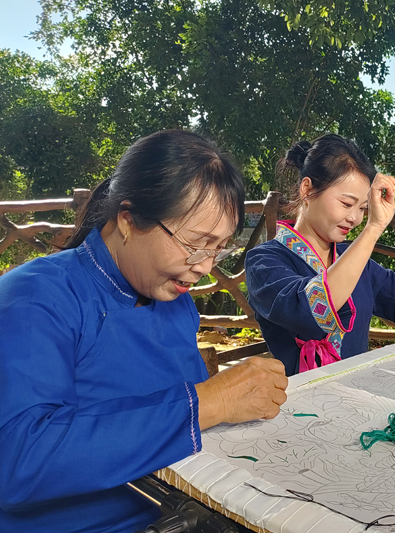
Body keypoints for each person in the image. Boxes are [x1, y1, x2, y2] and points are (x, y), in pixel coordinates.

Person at [0, 130, 289, 532]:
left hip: (184, 513)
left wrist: (228, 402)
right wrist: (208, 403)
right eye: (196, 244)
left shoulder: (176, 303)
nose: (206, 266)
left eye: (219, 248)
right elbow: (18, 459)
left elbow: (190, 422)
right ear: (128, 221)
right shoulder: (38, 296)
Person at [245, 134, 395, 376]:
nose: (355, 219)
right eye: (347, 204)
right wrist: (373, 228)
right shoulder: (263, 262)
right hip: (298, 404)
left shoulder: (352, 258)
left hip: (357, 393)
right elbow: (309, 309)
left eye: (362, 209)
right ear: (307, 189)